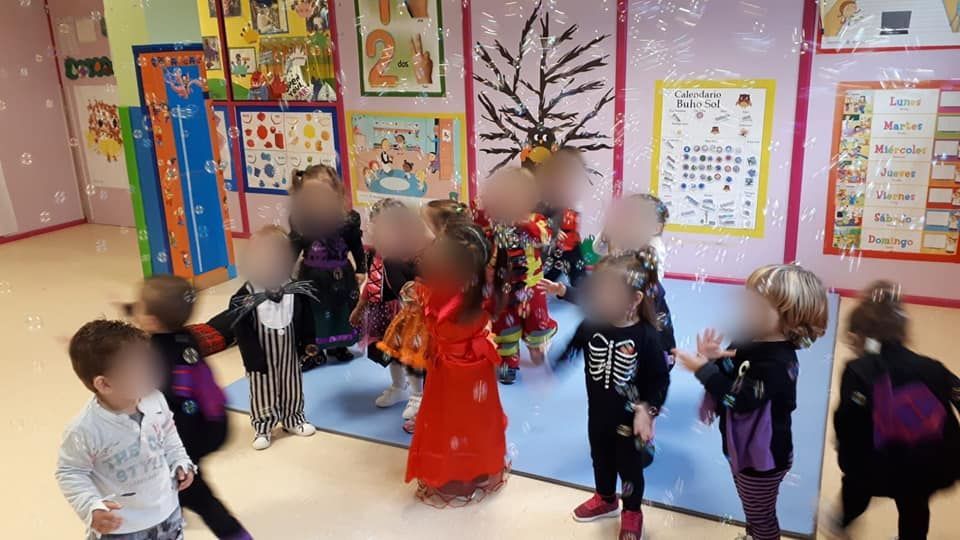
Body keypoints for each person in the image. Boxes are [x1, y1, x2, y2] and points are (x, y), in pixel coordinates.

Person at [673, 264, 829, 540]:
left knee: (761, 514)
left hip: (764, 459)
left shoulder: (779, 364)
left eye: (757, 305)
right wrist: (717, 356)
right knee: (753, 506)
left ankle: (761, 535)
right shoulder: (752, 338)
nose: (745, 308)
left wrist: (703, 370)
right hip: (744, 446)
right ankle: (755, 533)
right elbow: (739, 361)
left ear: (789, 319)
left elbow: (740, 399)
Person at [380, 223, 509, 505]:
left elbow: (433, 321)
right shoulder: (480, 286)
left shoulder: (442, 293)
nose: (432, 250)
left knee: (451, 422)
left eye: (439, 247)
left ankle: (454, 471)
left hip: (451, 370)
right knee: (475, 423)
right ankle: (475, 468)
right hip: (476, 369)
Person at [824, 281, 960, 540]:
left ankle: (842, 523)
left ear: (860, 336)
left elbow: (847, 421)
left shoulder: (859, 370)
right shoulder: (933, 367)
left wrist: (844, 453)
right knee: (915, 505)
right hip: (928, 463)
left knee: (856, 488)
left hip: (878, 464)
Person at [561, 248, 670, 540]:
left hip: (630, 418)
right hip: (597, 410)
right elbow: (573, 346)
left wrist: (648, 411)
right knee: (600, 456)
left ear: (634, 300)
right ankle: (606, 497)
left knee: (630, 467)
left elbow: (659, 379)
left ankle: (632, 510)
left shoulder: (647, 336)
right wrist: (548, 365)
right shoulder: (592, 325)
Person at [130, 276, 250, 539]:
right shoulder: (186, 336)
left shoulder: (156, 354)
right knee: (181, 481)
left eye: (138, 306)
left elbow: (154, 396)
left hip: (188, 432)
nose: (134, 309)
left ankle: (234, 533)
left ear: (151, 321)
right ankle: (177, 500)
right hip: (213, 421)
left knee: (196, 492)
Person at [56, 320, 196, 540]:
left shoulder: (155, 400)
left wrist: (179, 459)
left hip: (167, 513)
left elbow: (168, 433)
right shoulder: (86, 429)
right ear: (105, 385)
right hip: (122, 528)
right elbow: (70, 472)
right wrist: (90, 507)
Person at [544, 192, 676, 355]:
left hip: (642, 302)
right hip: (615, 299)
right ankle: (568, 354)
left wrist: (617, 249)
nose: (632, 221)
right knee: (590, 326)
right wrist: (606, 236)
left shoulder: (654, 247)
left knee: (650, 340)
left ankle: (660, 358)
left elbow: (645, 280)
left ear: (656, 228)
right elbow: (597, 249)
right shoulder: (621, 234)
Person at [228, 225, 321, 450]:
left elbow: (307, 317)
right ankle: (263, 425)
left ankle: (293, 417)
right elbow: (242, 331)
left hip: (290, 350)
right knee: (263, 388)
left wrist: (308, 342)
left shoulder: (295, 289)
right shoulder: (244, 296)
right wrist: (251, 358)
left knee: (292, 384)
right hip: (260, 355)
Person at [480, 167, 557, 384]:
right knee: (504, 327)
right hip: (501, 287)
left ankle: (537, 344)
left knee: (536, 327)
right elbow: (484, 243)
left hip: (532, 287)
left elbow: (545, 236)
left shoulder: (537, 220)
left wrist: (523, 222)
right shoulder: (493, 221)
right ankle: (509, 361)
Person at [350, 198, 424, 421]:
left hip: (404, 314)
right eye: (377, 228)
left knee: (410, 355)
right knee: (391, 354)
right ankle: (399, 387)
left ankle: (418, 395)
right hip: (381, 313)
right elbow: (371, 283)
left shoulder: (408, 255)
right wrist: (360, 307)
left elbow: (415, 288)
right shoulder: (377, 254)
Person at [288, 165, 366, 368]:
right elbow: (293, 247)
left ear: (336, 194)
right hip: (312, 275)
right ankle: (312, 349)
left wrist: (361, 268)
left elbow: (356, 245)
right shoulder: (301, 221)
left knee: (340, 310)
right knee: (312, 313)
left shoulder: (347, 220)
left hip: (341, 274)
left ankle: (338, 345)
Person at [535, 147, 587, 288]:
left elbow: (574, 256)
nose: (572, 188)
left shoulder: (567, 213)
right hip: (536, 270)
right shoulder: (538, 207)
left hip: (563, 253)